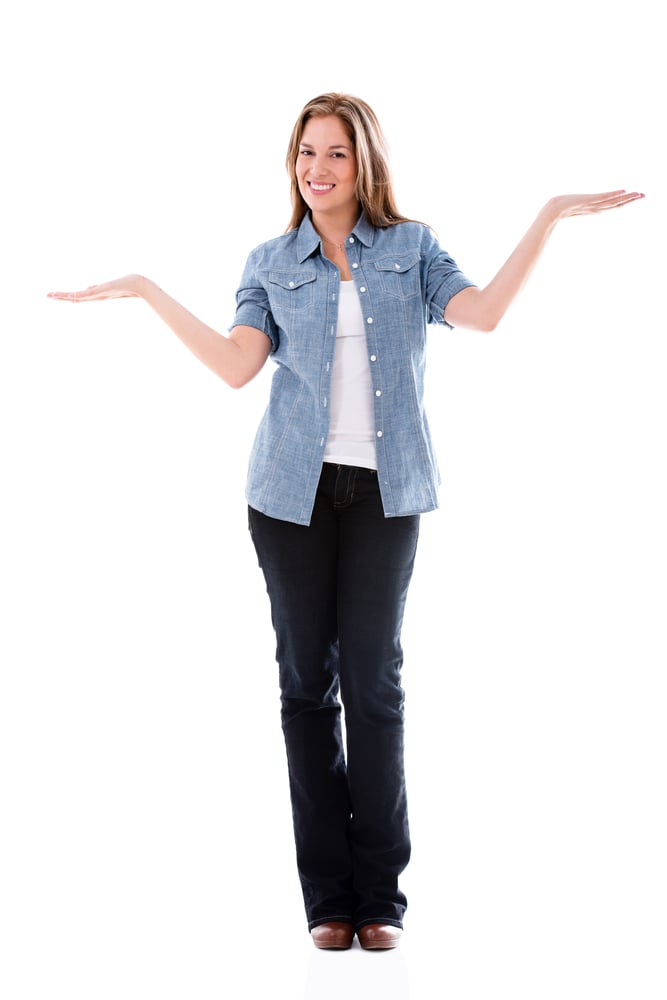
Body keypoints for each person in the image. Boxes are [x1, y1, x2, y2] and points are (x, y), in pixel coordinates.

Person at [48, 92, 643, 952]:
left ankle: (381, 900)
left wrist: (547, 214)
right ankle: (327, 899)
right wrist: (146, 289)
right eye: (305, 153)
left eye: (334, 152)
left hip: (384, 494)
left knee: (373, 684)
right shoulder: (268, 260)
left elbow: (482, 315)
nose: (317, 169)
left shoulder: (411, 248)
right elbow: (236, 368)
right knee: (304, 686)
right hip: (288, 496)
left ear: (364, 161)